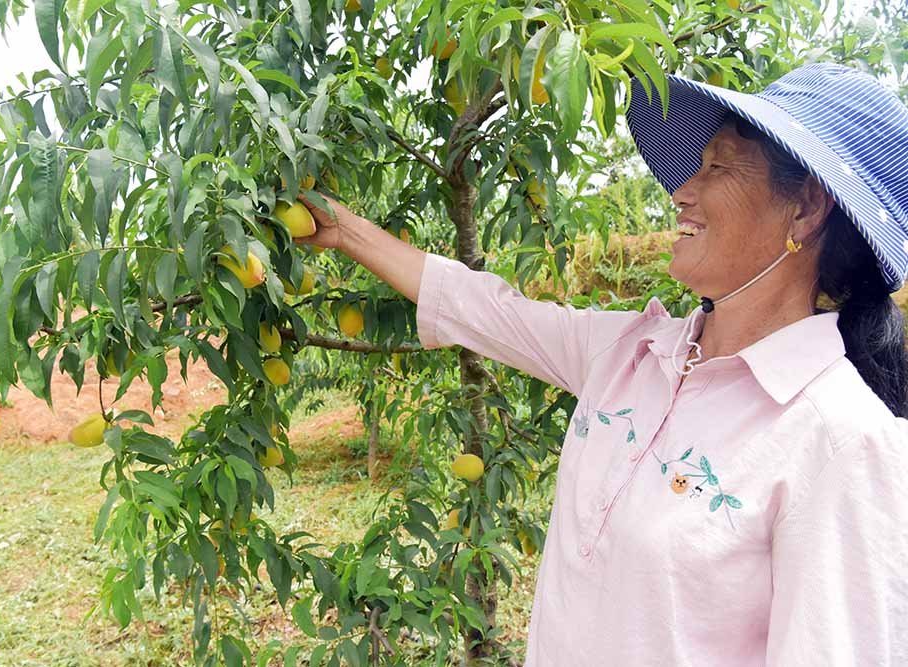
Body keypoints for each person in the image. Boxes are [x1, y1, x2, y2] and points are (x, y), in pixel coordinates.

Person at [297, 62, 908, 665]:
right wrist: (345, 231)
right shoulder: (633, 355)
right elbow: (481, 308)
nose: (683, 192)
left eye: (717, 165)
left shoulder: (841, 443)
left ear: (804, 210)